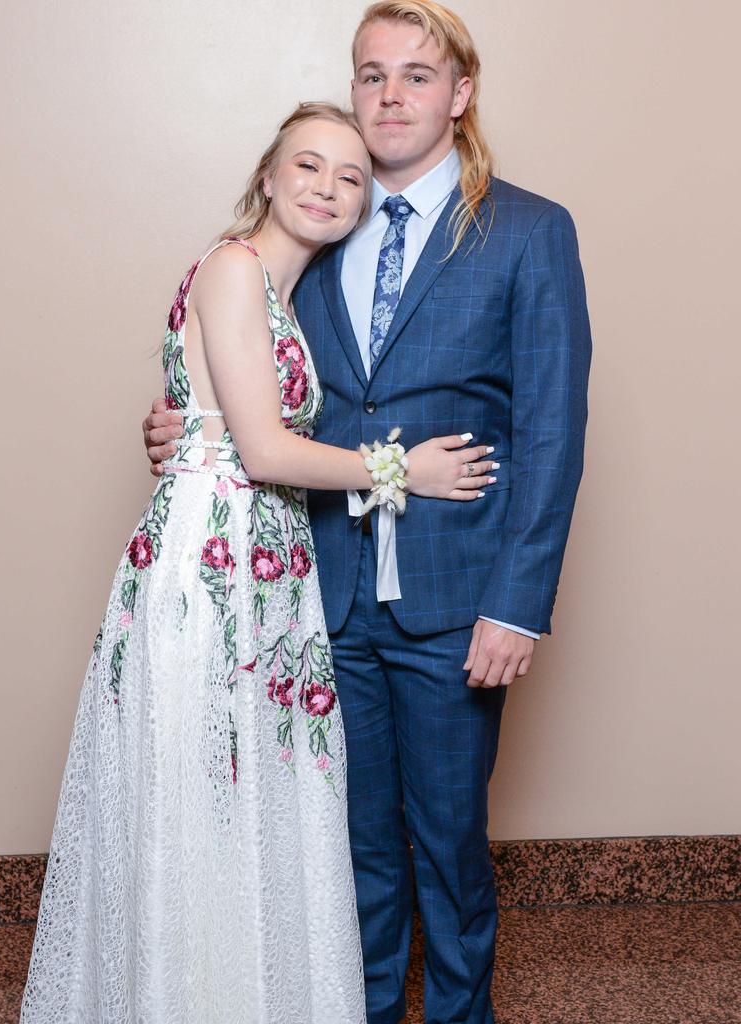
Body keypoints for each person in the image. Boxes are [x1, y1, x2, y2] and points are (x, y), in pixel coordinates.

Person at [145, 3, 593, 1022]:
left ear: (460, 93)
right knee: (345, 847)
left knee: (447, 843)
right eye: (372, 74)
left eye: (417, 76)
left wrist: (517, 605)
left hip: (455, 601)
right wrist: (189, 428)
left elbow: (554, 433)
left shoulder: (529, 231)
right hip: (318, 597)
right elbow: (253, 379)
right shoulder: (319, 223)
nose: (391, 95)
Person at [20, 102, 498, 1024]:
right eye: (308, 167)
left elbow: (220, 421)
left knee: (239, 803)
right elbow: (267, 452)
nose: (328, 188)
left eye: (351, 178)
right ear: (267, 179)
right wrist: (408, 471)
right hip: (214, 569)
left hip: (262, 566)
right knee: (204, 798)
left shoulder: (284, 292)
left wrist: (188, 425)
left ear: (365, 204)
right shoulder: (236, 270)